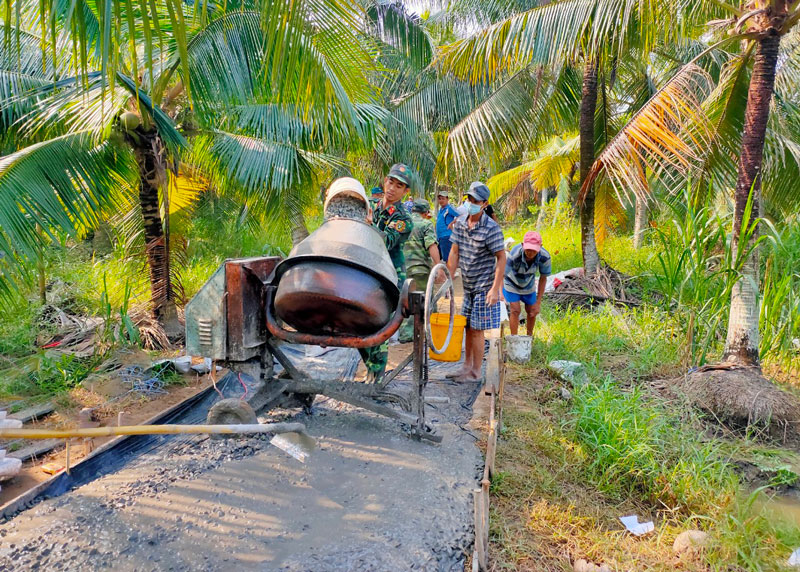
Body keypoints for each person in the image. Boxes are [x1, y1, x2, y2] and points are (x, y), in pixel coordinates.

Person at [359, 163, 414, 383]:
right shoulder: (369, 205)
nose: (392, 188)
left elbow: (387, 241)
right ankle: (371, 371)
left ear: (405, 192)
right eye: (391, 182)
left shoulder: (403, 219)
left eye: (399, 186)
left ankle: (378, 379)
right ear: (385, 180)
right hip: (365, 273)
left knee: (379, 326)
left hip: (388, 279)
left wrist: (369, 225)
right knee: (357, 325)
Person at [446, 182, 506, 382]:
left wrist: (495, 288)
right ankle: (466, 366)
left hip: (484, 286)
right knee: (467, 326)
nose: (471, 203)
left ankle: (475, 371)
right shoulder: (461, 223)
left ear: (484, 203)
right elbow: (454, 252)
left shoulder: (491, 228)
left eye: (475, 200)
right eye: (469, 199)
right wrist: (448, 278)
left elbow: (501, 257)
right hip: (469, 285)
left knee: (478, 329)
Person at [398, 199, 440, 343]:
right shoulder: (426, 224)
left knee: (405, 302)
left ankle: (405, 334)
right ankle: (429, 334)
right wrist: (438, 266)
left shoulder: (403, 224)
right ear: (426, 212)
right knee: (426, 302)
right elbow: (431, 246)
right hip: (420, 270)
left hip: (403, 270)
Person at [503, 231, 551, 336]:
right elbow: (503, 274)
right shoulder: (514, 254)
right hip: (511, 282)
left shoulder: (544, 257)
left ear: (540, 247)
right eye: (528, 249)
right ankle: (514, 339)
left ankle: (529, 338)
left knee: (532, 311)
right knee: (515, 310)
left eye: (533, 250)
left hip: (528, 285)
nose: (530, 253)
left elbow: (543, 278)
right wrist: (500, 293)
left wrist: (538, 302)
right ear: (522, 245)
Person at [435, 189, 459, 262]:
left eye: (443, 198)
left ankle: (449, 272)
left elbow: (461, 216)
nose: (441, 200)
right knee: (439, 257)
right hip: (440, 237)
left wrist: (452, 223)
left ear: (447, 199)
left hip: (446, 235)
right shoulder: (441, 210)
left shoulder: (449, 208)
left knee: (447, 258)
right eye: (439, 199)